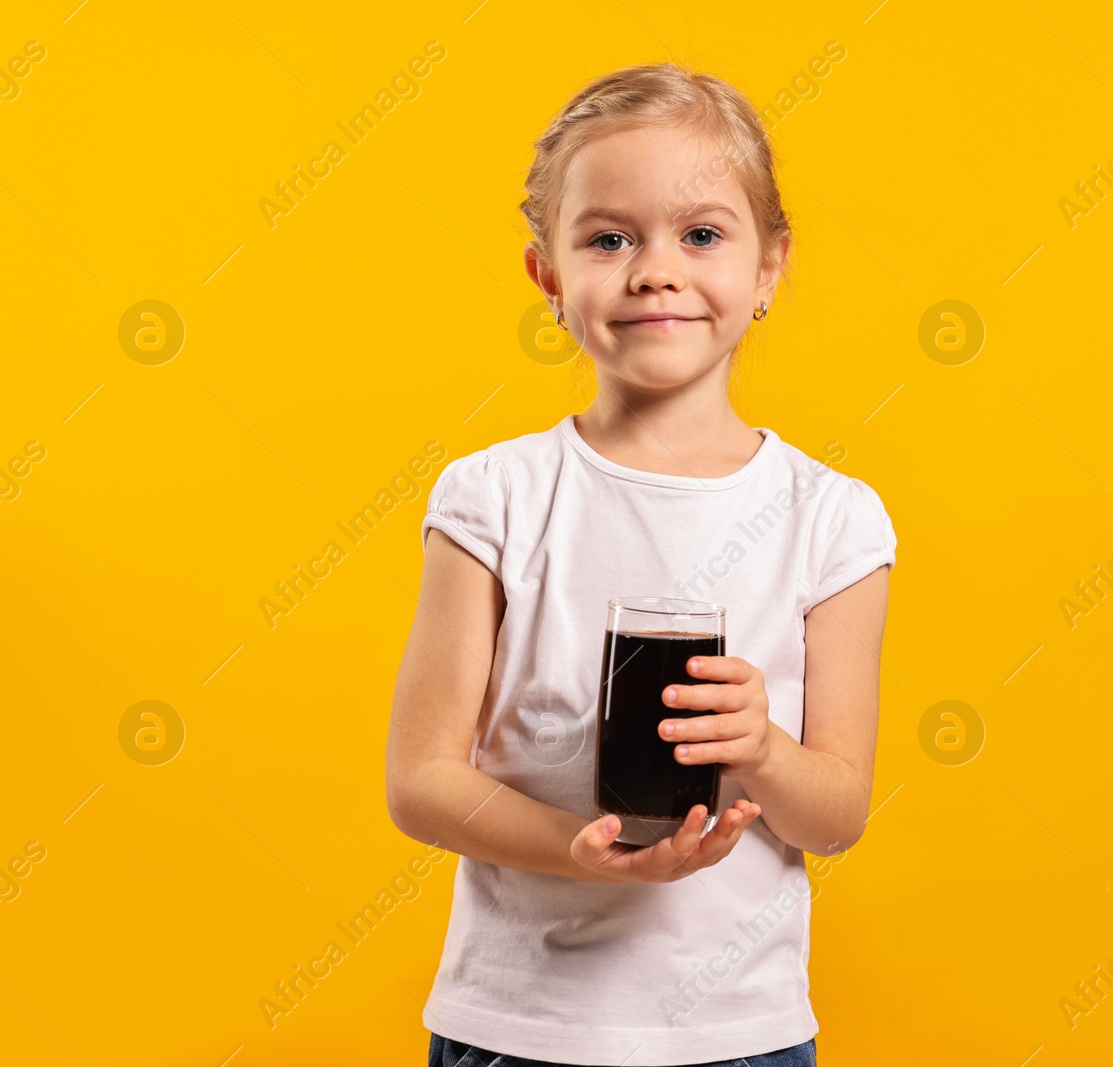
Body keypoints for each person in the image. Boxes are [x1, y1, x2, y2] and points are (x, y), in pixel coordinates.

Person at [386, 61, 897, 1067]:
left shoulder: (832, 518)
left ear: (767, 269)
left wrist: (758, 743)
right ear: (549, 277)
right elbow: (420, 780)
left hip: (736, 1035)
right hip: (514, 1029)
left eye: (701, 234)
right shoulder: (492, 497)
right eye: (609, 238)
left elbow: (835, 813)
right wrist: (576, 851)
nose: (654, 269)